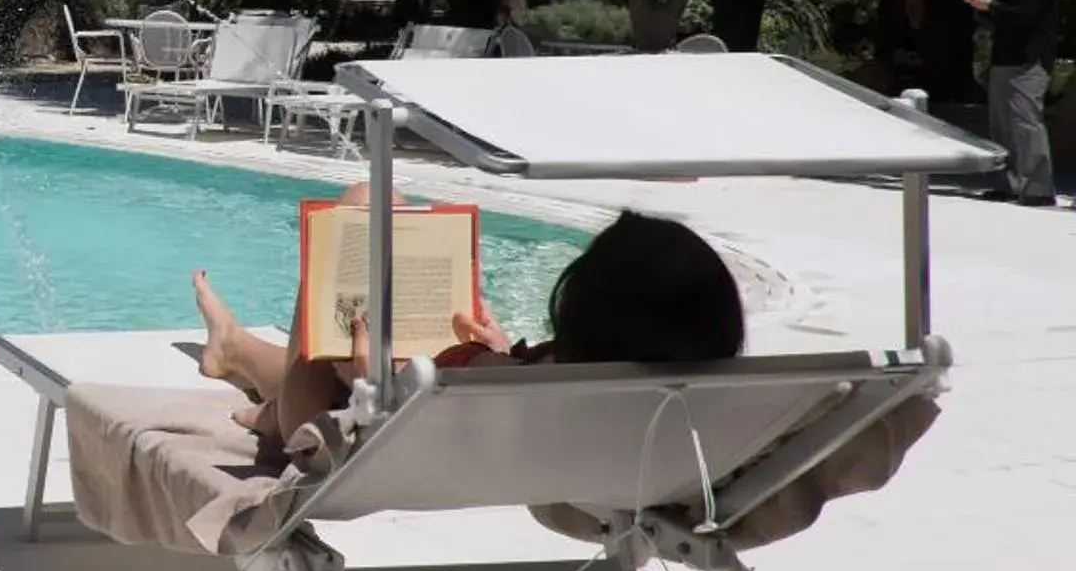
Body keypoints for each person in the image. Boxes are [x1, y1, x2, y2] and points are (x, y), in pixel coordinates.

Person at [191, 204, 744, 445]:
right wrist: (506, 353)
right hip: (466, 423)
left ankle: (260, 394)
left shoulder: (519, 394)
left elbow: (393, 406)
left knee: (360, 212)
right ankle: (239, 356)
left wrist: (372, 374)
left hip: (362, 431)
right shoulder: (673, 412)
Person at [959, 0, 1061, 206]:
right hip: (1004, 60)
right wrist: (982, 9)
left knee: (1026, 124)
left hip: (1029, 61)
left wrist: (991, 5)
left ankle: (1038, 189)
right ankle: (1008, 184)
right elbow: (1005, 20)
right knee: (1001, 125)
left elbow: (1026, 18)